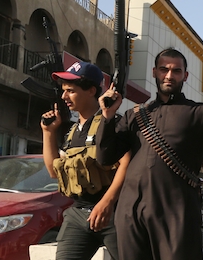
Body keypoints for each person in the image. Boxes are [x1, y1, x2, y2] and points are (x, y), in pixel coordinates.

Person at [95, 43, 203, 259]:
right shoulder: (135, 115)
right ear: (154, 72)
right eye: (164, 69)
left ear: (185, 76)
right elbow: (105, 157)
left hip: (176, 212)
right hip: (131, 211)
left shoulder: (198, 113)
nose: (169, 75)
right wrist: (107, 117)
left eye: (176, 71)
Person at [41, 61, 131, 259]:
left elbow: (126, 163)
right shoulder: (73, 131)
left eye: (70, 91)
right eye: (64, 91)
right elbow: (53, 171)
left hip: (113, 214)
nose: (64, 96)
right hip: (78, 214)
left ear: (91, 91)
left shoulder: (111, 123)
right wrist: (48, 132)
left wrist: (106, 203)